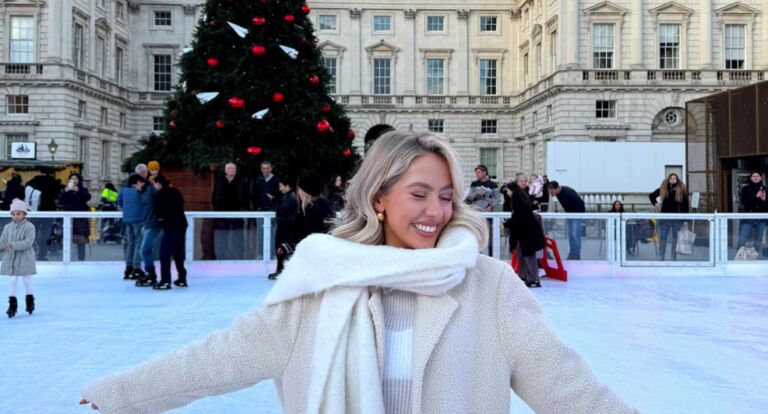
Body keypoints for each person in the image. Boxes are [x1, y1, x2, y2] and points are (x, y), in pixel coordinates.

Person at [80, 131, 636, 413]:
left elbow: (568, 389)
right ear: (377, 198)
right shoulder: (321, 281)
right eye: (418, 194)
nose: (436, 212)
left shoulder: (488, 286)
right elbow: (219, 357)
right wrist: (120, 393)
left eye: (446, 196)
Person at [504, 182, 545, 288]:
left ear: (512, 191)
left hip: (527, 232)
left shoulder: (519, 202)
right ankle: (524, 276)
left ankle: (533, 279)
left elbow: (519, 218)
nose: (507, 193)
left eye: (507, 191)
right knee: (521, 253)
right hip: (523, 232)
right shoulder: (519, 201)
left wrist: (506, 224)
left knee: (528, 255)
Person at [151, 175, 188, 289]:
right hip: (181, 225)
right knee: (178, 253)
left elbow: (157, 213)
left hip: (170, 226)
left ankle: (165, 280)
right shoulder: (176, 191)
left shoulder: (159, 195)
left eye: (155, 184)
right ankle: (182, 277)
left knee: (165, 254)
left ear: (159, 184)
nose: (154, 186)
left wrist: (163, 218)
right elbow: (181, 204)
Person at [1, 199, 36, 318]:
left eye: (18, 213)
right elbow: (3, 242)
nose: (15, 216)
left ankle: (30, 302)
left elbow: (28, 242)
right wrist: (2, 246)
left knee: (27, 280)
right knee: (12, 281)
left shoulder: (29, 226)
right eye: (13, 214)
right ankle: (12, 305)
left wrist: (12, 245)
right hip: (11, 258)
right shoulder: (7, 227)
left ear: (24, 214)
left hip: (25, 258)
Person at [648, 173, 690, 261]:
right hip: (665, 218)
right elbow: (651, 195)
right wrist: (655, 203)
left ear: (677, 180)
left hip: (677, 219)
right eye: (671, 178)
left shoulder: (682, 190)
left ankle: (673, 256)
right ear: (668, 179)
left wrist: (686, 220)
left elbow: (685, 206)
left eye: (674, 178)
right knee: (663, 238)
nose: (673, 180)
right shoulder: (664, 189)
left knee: (675, 238)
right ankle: (661, 256)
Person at [212, 162, 249, 259]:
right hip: (222, 213)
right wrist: (216, 210)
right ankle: (220, 256)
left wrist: (244, 209)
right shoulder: (219, 180)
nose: (232, 170)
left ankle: (240, 257)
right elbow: (215, 196)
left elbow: (246, 196)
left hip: (237, 212)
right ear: (225, 170)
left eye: (233, 168)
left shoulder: (241, 181)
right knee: (222, 236)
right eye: (230, 168)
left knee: (239, 236)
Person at [116, 175, 146, 281]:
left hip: (127, 219)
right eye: (141, 182)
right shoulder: (140, 192)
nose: (143, 184)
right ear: (136, 182)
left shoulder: (124, 191)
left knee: (130, 243)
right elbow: (145, 203)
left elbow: (118, 201)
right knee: (139, 242)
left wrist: (125, 209)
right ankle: (137, 267)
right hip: (138, 219)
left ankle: (128, 267)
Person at [268, 177, 298, 280]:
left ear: (287, 186)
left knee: (282, 249)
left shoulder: (290, 198)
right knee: (282, 249)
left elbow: (283, 212)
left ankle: (282, 271)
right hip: (284, 227)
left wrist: (275, 202)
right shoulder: (287, 197)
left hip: (285, 228)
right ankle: (280, 270)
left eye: (281, 186)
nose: (280, 188)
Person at [548, 181, 586, 260]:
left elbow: (581, 203)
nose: (551, 194)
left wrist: (578, 216)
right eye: (550, 192)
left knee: (575, 234)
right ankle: (573, 253)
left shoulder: (568, 193)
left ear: (557, 188)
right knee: (571, 235)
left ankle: (576, 255)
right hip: (570, 214)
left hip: (576, 214)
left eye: (552, 192)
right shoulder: (558, 193)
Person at [293, 172, 335, 243]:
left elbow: (301, 237)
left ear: (306, 191)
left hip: (310, 249)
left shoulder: (308, 210)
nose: (298, 192)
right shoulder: (325, 205)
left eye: (299, 189)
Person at [58, 173, 91, 261]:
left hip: (80, 219)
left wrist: (78, 191)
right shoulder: (66, 190)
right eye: (72, 179)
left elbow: (87, 197)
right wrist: (66, 191)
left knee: (80, 240)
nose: (74, 180)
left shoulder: (83, 190)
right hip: (67, 218)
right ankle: (67, 259)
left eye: (76, 179)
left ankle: (81, 260)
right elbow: (60, 200)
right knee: (67, 239)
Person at [737, 170, 767, 256]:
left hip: (761, 219)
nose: (756, 178)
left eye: (757, 176)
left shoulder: (765, 189)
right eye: (754, 176)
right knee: (743, 237)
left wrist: (764, 200)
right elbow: (744, 202)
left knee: (758, 239)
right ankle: (739, 256)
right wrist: (756, 197)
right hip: (748, 217)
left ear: (760, 177)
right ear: (751, 178)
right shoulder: (745, 189)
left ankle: (753, 256)